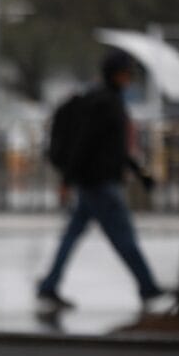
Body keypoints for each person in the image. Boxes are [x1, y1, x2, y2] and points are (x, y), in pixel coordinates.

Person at [37, 49, 164, 309]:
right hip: (100, 184)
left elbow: (115, 149)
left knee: (71, 236)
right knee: (124, 237)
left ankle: (49, 285)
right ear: (118, 76)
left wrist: (141, 174)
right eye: (127, 74)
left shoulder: (106, 101)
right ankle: (148, 286)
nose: (130, 79)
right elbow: (85, 144)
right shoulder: (105, 104)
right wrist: (67, 180)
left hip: (93, 183)